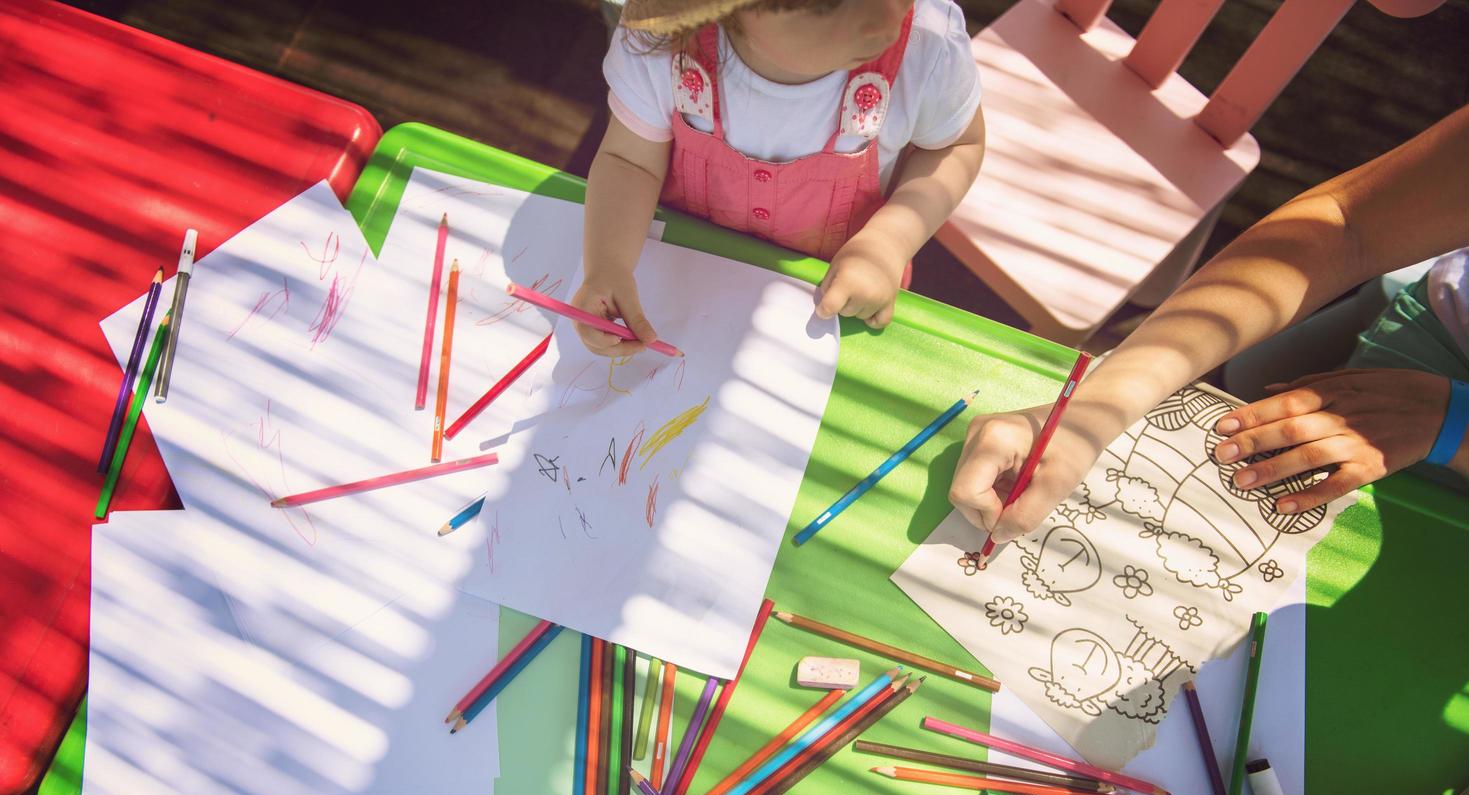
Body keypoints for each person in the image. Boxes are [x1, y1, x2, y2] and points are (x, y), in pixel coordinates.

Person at [949, 104, 1469, 543]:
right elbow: (1349, 226)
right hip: (1439, 326)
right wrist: (1089, 415)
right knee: (1235, 394)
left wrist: (1453, 423)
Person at [571, 0, 985, 355]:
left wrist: (889, 243)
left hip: (839, 304)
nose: (887, 16)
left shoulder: (927, 48)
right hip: (681, 293)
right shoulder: (663, 43)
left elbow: (955, 146)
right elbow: (631, 162)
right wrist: (608, 265)